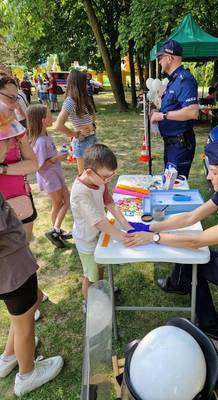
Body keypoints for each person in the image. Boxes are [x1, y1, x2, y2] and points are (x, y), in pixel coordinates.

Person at [123, 137, 218, 341]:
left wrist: (153, 237)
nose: (208, 176)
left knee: (191, 263)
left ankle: (210, 326)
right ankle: (178, 284)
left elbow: (196, 241)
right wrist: (152, 226)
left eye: (214, 172)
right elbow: (191, 216)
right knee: (185, 249)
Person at [0, 107, 63, 397]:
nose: (11, 144)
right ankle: (27, 374)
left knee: (18, 316)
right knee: (27, 315)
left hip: (9, 268)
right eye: (5, 141)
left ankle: (9, 357)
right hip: (11, 267)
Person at [70, 144, 132, 301]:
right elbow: (98, 222)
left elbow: (110, 203)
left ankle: (102, 288)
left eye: (111, 176)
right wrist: (123, 237)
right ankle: (89, 303)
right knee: (91, 276)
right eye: (106, 177)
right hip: (87, 240)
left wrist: (127, 227)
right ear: (89, 172)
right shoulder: (80, 193)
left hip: (99, 235)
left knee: (101, 265)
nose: (108, 180)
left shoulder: (99, 181)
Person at [150, 40, 199, 179]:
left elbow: (192, 112)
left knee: (176, 187)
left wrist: (162, 116)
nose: (159, 62)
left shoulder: (185, 79)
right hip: (172, 144)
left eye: (160, 58)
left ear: (169, 58)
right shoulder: (174, 81)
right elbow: (174, 106)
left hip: (180, 144)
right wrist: (157, 110)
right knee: (169, 184)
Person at [0, 72, 38, 241]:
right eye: (11, 98)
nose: (15, 105)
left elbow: (33, 164)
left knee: (25, 251)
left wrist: (4, 169)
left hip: (20, 199)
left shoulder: (16, 128)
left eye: (17, 98)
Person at [27, 104, 71, 249]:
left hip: (55, 174)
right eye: (49, 114)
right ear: (41, 120)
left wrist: (59, 155)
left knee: (65, 201)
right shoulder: (39, 142)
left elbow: (51, 156)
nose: (52, 116)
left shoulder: (46, 135)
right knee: (60, 203)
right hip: (49, 178)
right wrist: (55, 158)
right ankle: (55, 230)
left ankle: (56, 230)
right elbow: (38, 166)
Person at [55, 70, 96, 175]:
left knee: (94, 173)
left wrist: (93, 126)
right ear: (78, 83)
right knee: (84, 176)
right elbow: (58, 125)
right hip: (82, 142)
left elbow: (91, 117)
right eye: (84, 82)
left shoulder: (83, 98)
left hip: (91, 138)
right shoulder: (70, 101)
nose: (86, 85)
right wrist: (75, 134)